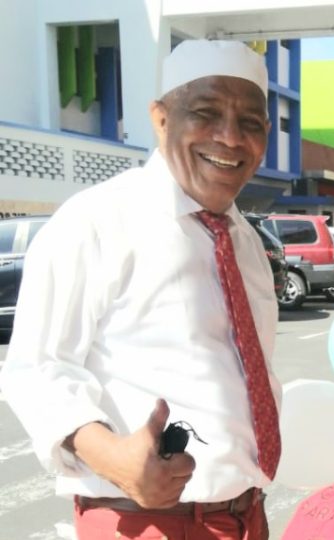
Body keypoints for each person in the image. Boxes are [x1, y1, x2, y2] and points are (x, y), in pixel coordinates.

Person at [0, 40, 280, 540]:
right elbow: (36, 367)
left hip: (245, 516)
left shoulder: (246, 241)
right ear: (161, 119)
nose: (230, 138)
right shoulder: (97, 221)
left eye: (251, 123)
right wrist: (110, 455)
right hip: (144, 523)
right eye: (206, 113)